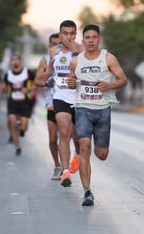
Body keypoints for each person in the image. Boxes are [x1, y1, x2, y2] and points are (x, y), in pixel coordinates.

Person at [68, 24, 128, 206]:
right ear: (83, 40)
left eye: (94, 37)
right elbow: (72, 82)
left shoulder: (108, 58)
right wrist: (71, 84)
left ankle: (97, 148)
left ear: (99, 39)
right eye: (88, 37)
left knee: (101, 154)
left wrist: (109, 86)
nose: (91, 40)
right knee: (84, 146)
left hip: (103, 110)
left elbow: (123, 80)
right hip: (82, 109)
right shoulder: (76, 61)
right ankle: (87, 191)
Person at [45, 20, 84, 187]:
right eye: (65, 33)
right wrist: (49, 78)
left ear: (76, 34)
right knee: (64, 133)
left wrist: (75, 52)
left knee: (77, 136)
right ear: (60, 35)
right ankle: (65, 171)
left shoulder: (82, 50)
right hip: (60, 97)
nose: (69, 37)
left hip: (79, 98)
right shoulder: (54, 52)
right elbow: (49, 71)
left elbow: (85, 69)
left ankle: (77, 154)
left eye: (72, 33)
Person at [34, 33, 62, 180]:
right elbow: (36, 81)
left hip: (67, 102)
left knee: (67, 136)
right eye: (54, 44)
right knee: (52, 139)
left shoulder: (69, 58)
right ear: (49, 46)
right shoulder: (45, 61)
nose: (57, 47)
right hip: (51, 103)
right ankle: (57, 165)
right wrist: (47, 83)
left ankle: (68, 164)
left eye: (60, 44)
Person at [1, 52, 35, 156]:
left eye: (17, 59)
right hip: (12, 102)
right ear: (11, 62)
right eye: (13, 59)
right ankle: (17, 146)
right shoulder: (8, 75)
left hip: (25, 102)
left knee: (24, 126)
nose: (15, 61)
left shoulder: (28, 73)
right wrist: (3, 89)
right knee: (12, 122)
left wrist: (28, 89)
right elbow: (5, 88)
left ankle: (22, 128)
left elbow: (37, 84)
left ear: (20, 61)